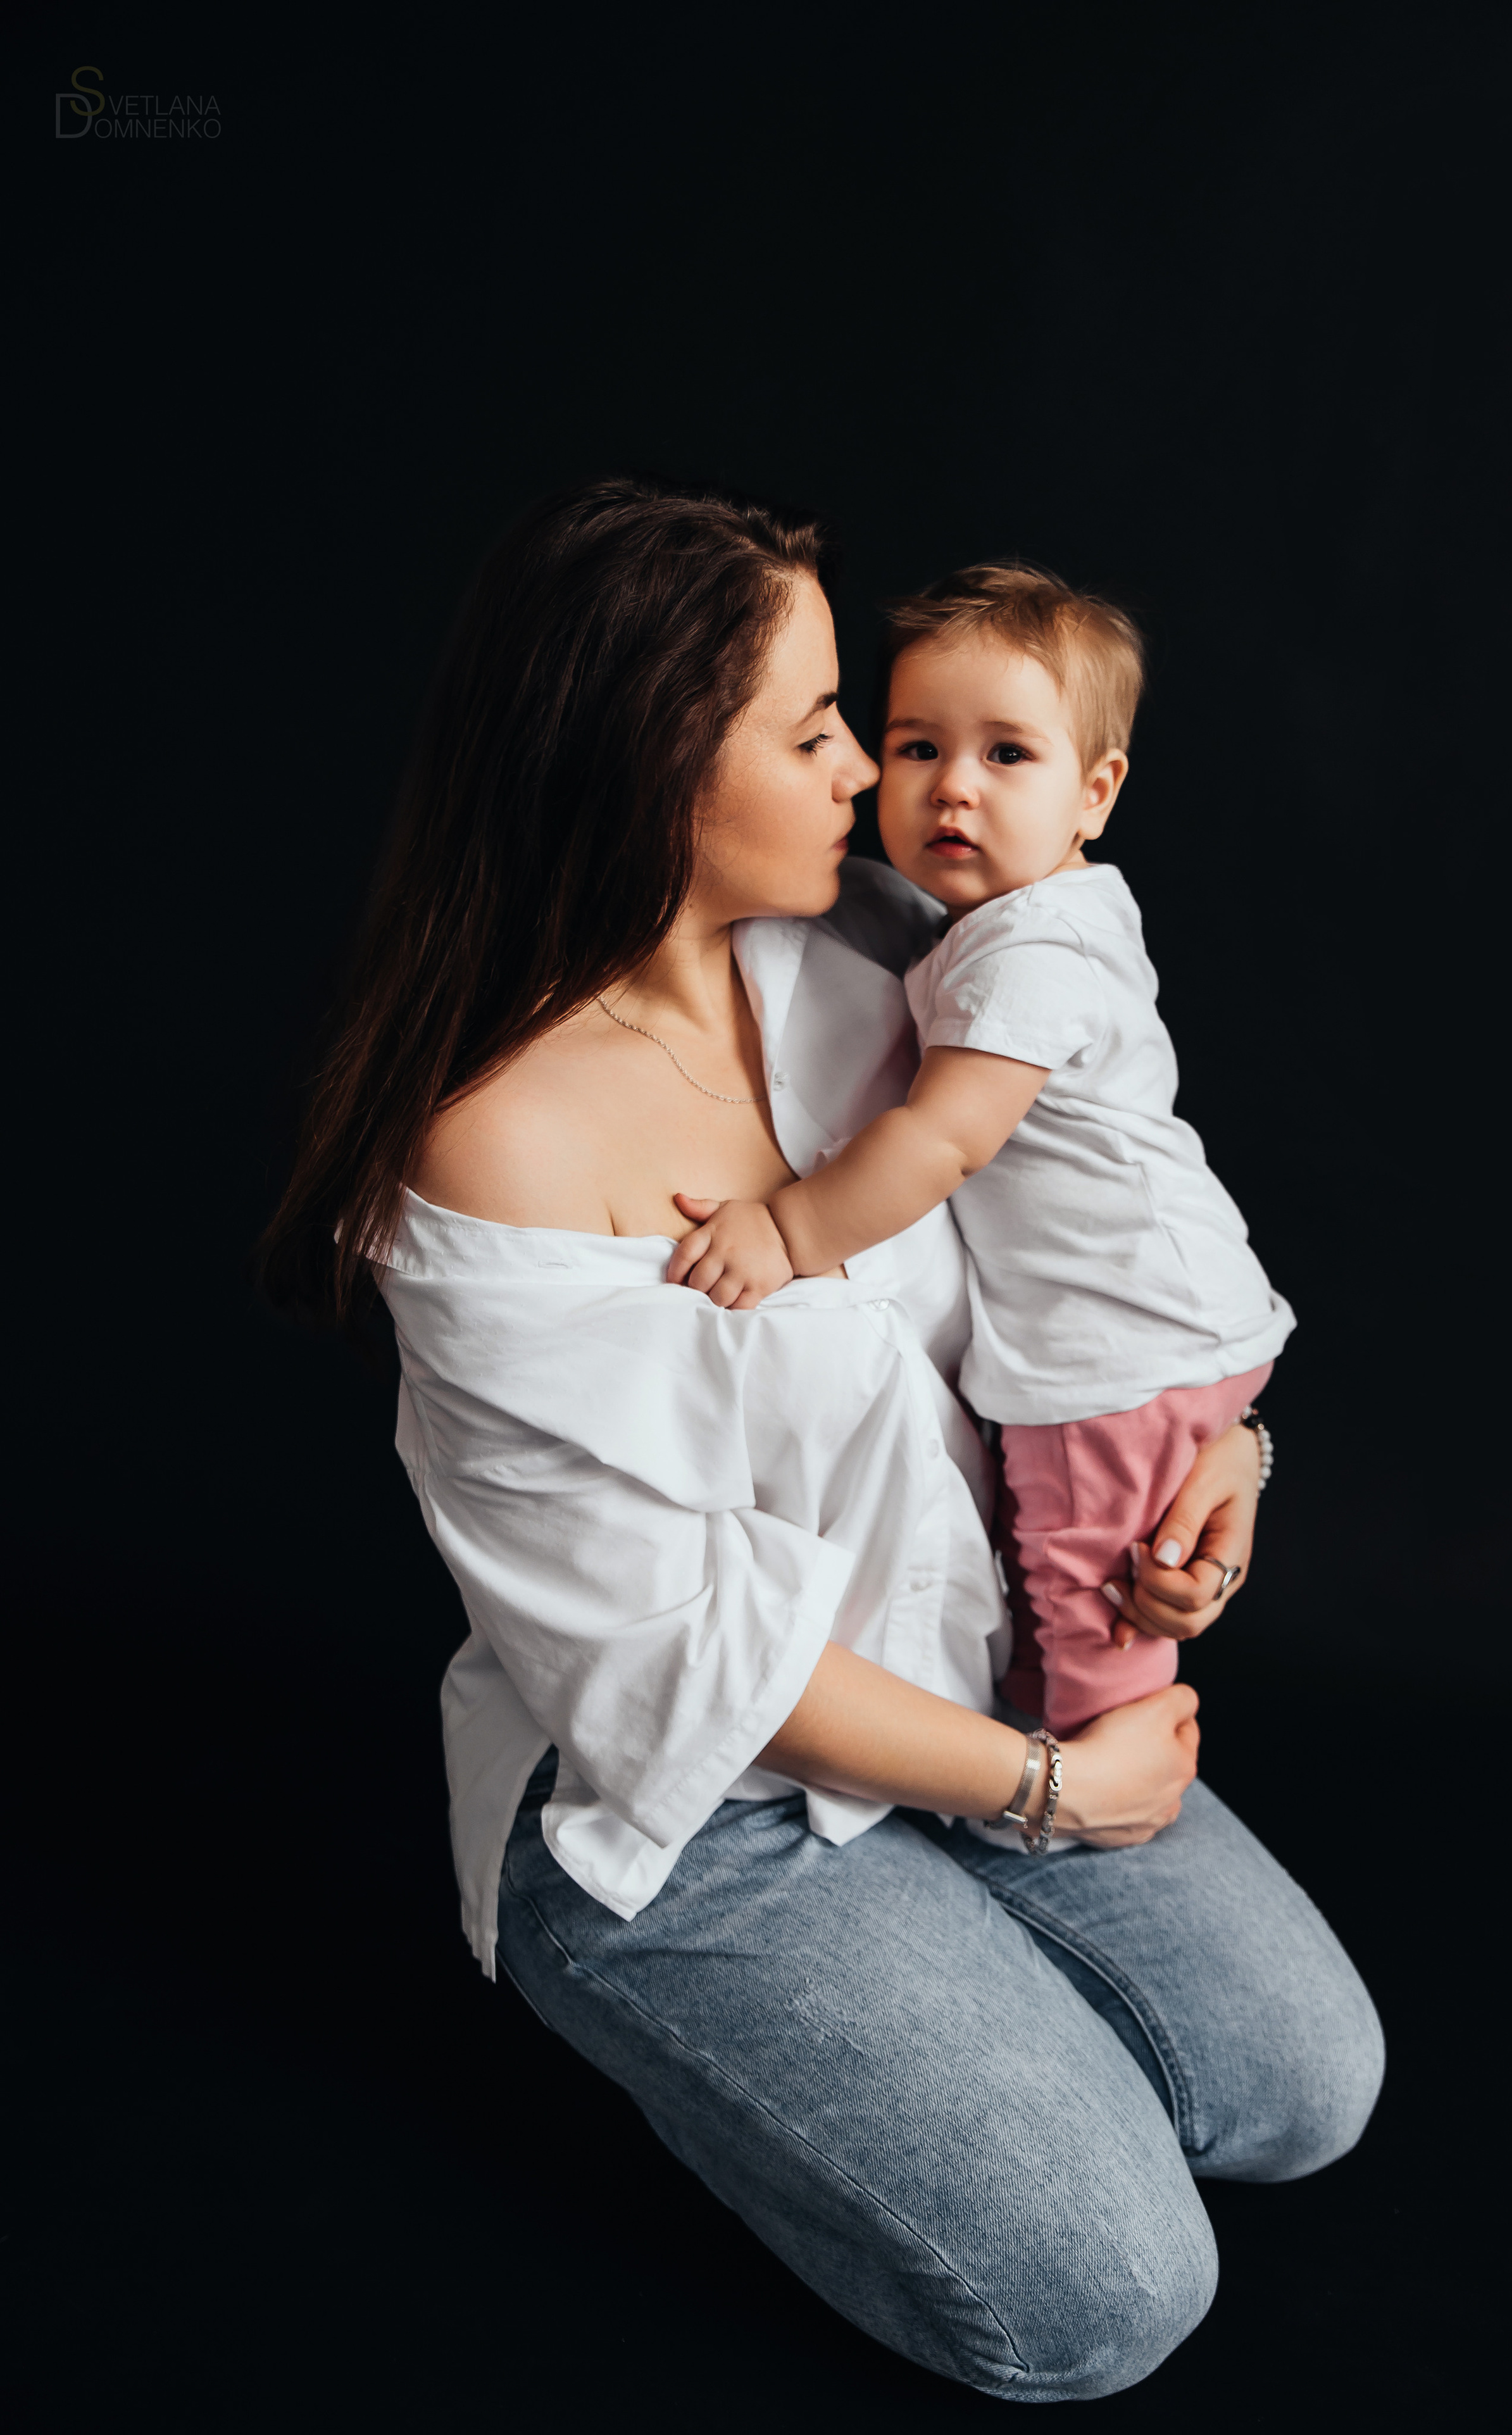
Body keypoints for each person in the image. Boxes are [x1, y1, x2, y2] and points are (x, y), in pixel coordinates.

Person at [260, 477, 1383, 2404]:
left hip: (956, 1669)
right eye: (814, 731)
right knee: (1103, 2305)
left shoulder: (892, 949)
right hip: (689, 1797)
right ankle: (678, 2014)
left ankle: (932, 1975)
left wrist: (1233, 1452)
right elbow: (674, 1651)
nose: (877, 767)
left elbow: (1121, 1221)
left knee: (1305, 2090)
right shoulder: (495, 1145)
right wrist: (1048, 1796)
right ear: (650, 772)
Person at [665, 564, 1294, 1741]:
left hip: (1108, 1351)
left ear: (1096, 793)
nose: (952, 787)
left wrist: (788, 1229)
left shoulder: (1028, 952)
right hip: (1172, 1320)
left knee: (1082, 1590)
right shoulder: (1015, 920)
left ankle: (1084, 1771)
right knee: (1087, 1571)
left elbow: (944, 1138)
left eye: (1008, 756)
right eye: (916, 748)